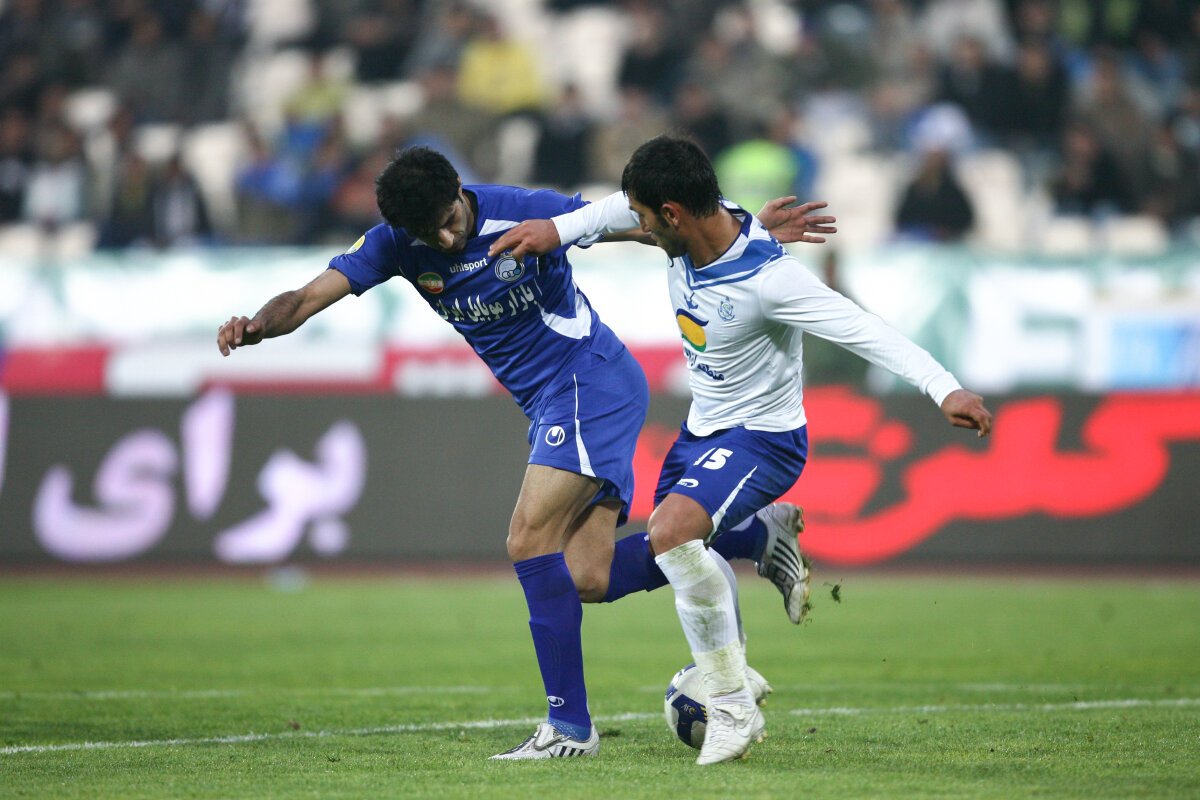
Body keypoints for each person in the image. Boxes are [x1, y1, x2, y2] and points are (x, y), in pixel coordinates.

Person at [215, 145, 828, 761]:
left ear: (460, 187)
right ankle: (755, 536)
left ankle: (569, 729)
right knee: (587, 576)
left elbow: (640, 223)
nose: (446, 240)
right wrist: (259, 325)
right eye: (430, 234)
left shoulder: (521, 212)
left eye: (450, 220)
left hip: (589, 380)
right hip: (549, 405)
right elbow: (305, 298)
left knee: (528, 539)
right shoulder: (395, 244)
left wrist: (736, 234)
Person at [489, 134, 992, 765]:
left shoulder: (771, 280)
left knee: (673, 532)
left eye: (646, 219)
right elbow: (611, 212)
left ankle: (731, 706)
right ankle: (762, 536)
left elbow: (864, 331)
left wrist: (944, 388)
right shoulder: (697, 221)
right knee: (593, 577)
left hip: (765, 439)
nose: (638, 229)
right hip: (702, 432)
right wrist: (557, 231)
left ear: (673, 214)